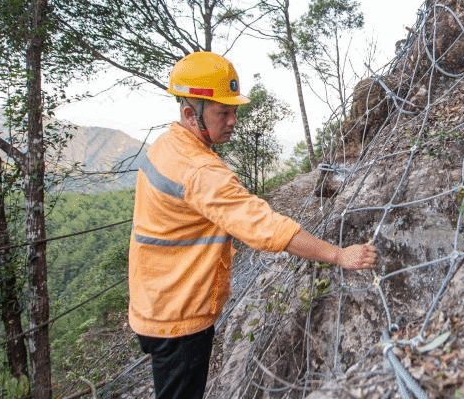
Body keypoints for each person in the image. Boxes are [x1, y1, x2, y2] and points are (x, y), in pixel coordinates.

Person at [128, 51, 377, 399]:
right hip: (178, 316)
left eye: (234, 111)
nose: (233, 120)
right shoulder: (199, 171)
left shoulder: (168, 145)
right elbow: (265, 227)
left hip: (155, 300)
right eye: (223, 112)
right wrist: (338, 255)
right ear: (190, 114)